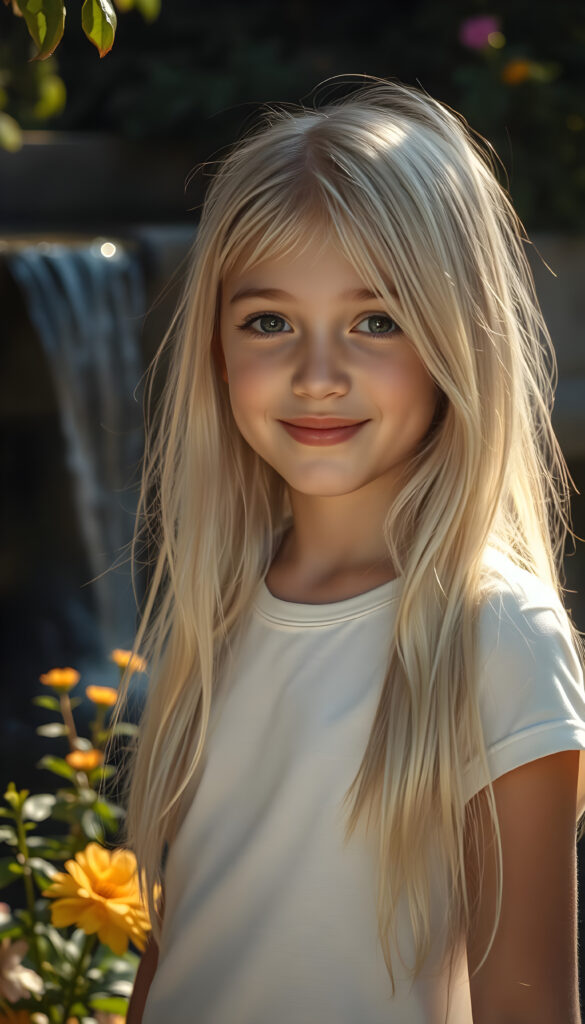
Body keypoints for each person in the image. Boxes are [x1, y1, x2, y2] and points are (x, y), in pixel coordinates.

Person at [113, 77, 585, 1023]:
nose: (316, 376)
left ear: (458, 339)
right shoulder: (217, 608)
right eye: (268, 322)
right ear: (214, 347)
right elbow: (175, 959)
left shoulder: (498, 637)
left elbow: (525, 1008)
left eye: (376, 321)